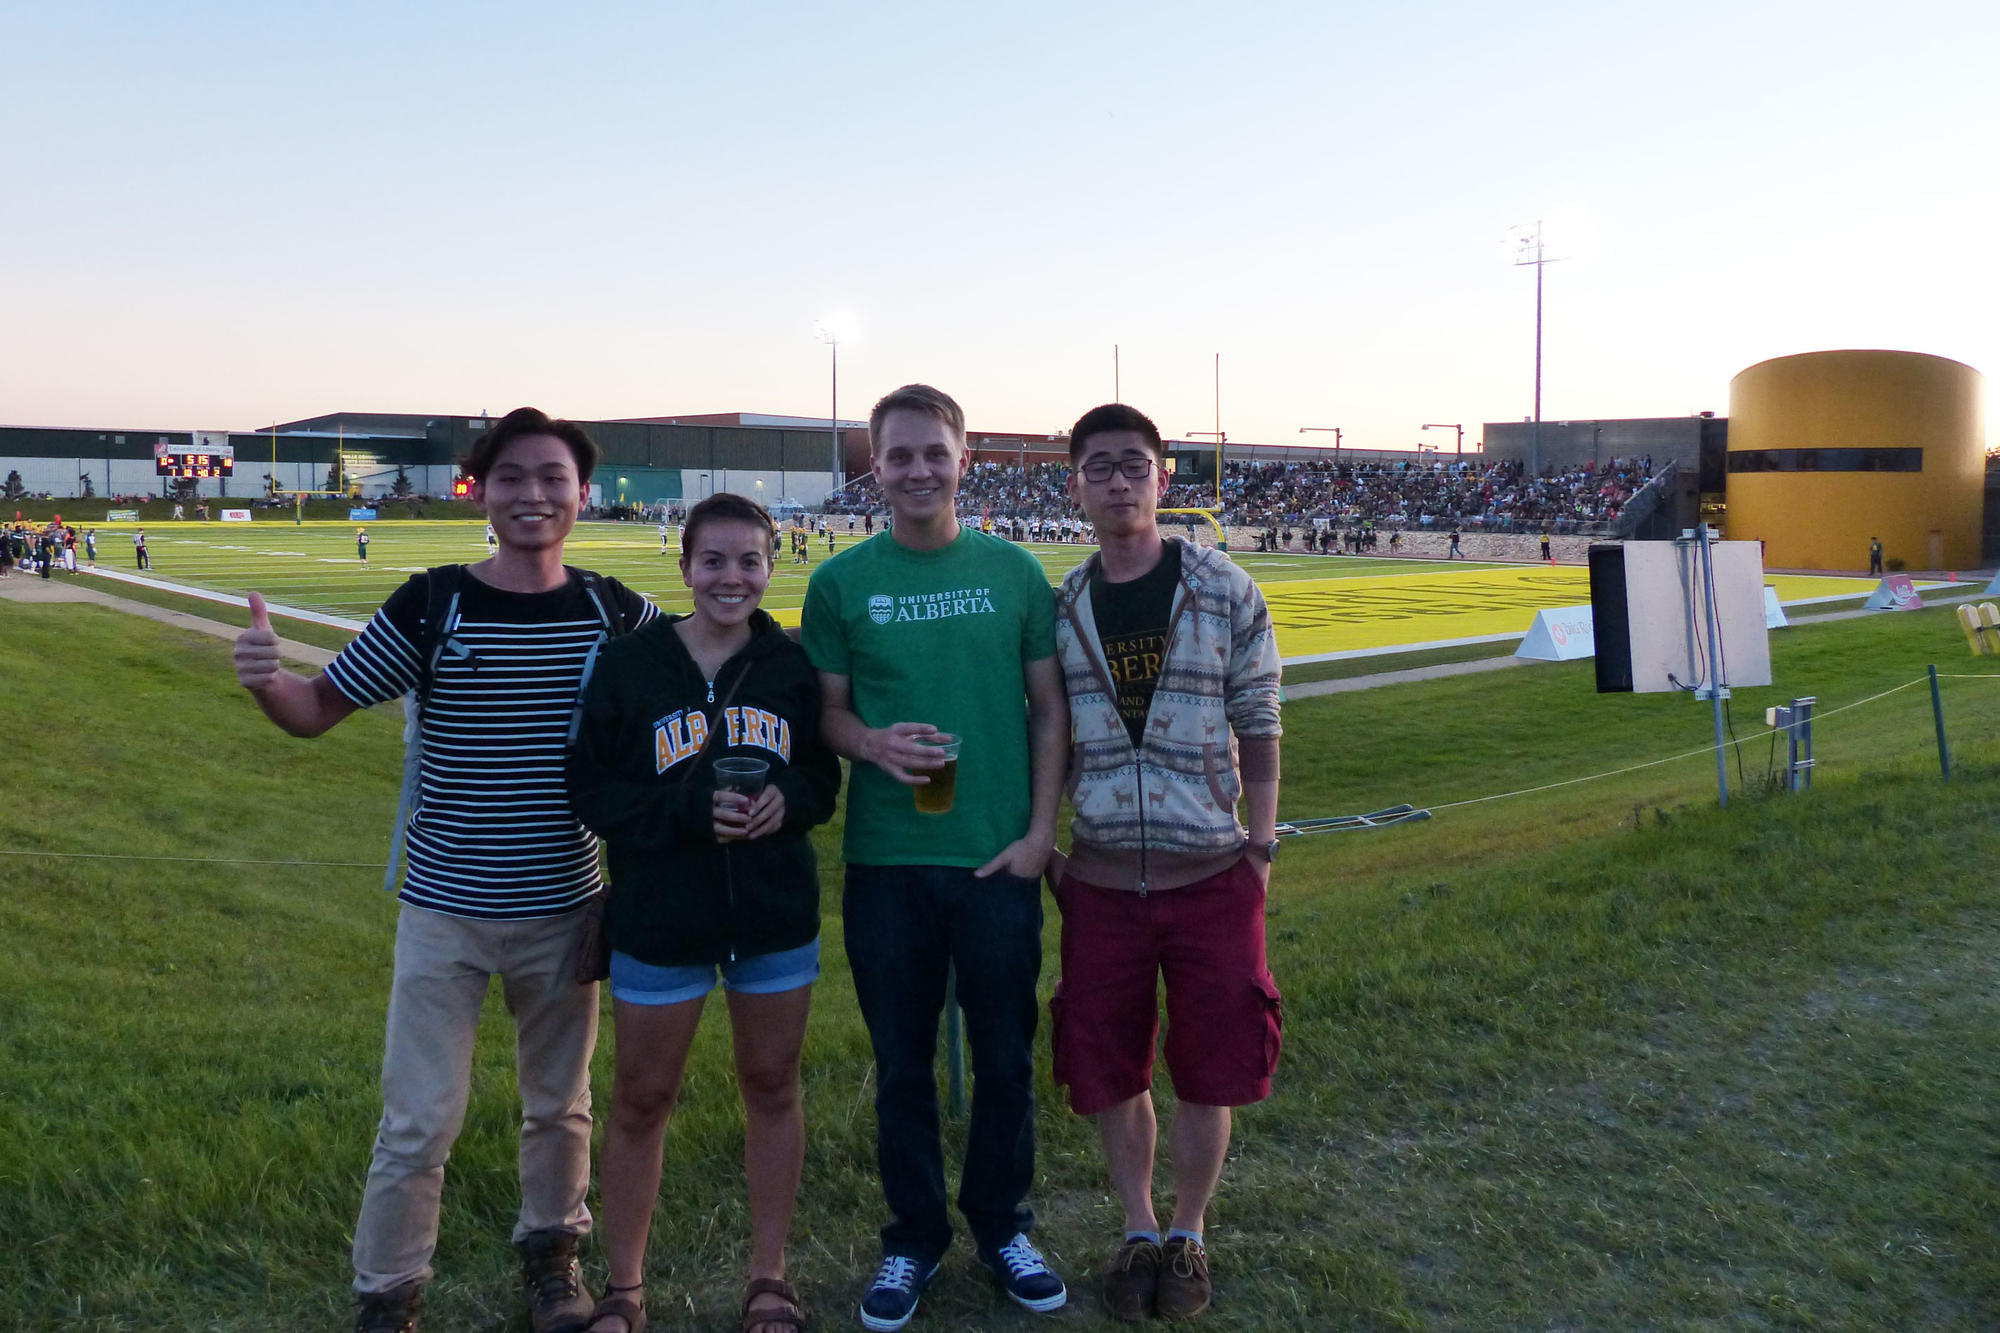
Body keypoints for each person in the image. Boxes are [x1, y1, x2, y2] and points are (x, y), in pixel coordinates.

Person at [230, 407, 655, 1333]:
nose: (533, 494)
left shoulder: (616, 613)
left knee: (561, 1106)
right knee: (419, 1118)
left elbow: (705, 678)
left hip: (566, 906)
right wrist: (267, 680)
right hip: (445, 913)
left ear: (583, 493)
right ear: (481, 491)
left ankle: (553, 1259)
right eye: (512, 476)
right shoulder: (432, 603)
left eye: (553, 477)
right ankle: (389, 1294)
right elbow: (314, 710)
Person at [802, 384, 1069, 1331]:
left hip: (996, 857)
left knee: (1005, 1059)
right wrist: (870, 743)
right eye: (900, 454)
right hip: (887, 860)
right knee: (902, 1067)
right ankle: (912, 1238)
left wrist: (1039, 835)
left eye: (934, 453)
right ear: (875, 467)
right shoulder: (841, 582)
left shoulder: (1014, 572)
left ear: (964, 461)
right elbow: (828, 714)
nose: (918, 470)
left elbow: (1049, 711)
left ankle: (1002, 1225)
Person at [567, 492, 840, 1333]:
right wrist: (687, 811)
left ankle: (769, 1277)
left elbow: (821, 780)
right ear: (684, 566)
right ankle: (624, 1288)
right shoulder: (630, 664)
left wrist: (788, 801)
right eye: (713, 560)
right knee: (642, 1095)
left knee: (773, 1084)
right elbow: (591, 789)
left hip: (772, 914)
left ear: (771, 566)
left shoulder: (790, 665)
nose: (732, 577)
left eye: (749, 560)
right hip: (661, 915)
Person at [1050, 403, 1284, 1323]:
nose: (1118, 481)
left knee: (1211, 1063)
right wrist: (1050, 850)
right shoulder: (1064, 603)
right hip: (1103, 876)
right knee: (1111, 1065)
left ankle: (1189, 1229)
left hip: (1212, 868)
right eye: (1099, 467)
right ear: (1076, 484)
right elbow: (1047, 735)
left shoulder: (1223, 586)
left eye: (1134, 464)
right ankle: (1138, 1225)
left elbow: (1259, 718)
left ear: (1163, 476)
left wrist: (1260, 843)